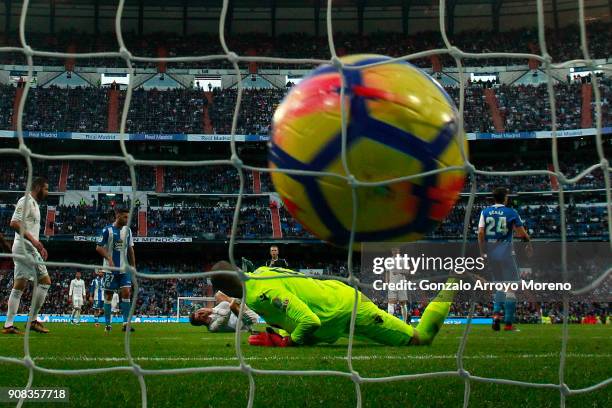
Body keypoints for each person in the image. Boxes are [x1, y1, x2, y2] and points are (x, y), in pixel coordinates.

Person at [210, 262, 456, 347]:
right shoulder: (260, 273)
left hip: (346, 308)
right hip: (335, 314)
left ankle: (456, 279)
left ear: (230, 291)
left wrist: (288, 342)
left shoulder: (262, 294)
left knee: (420, 339)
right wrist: (282, 332)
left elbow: (309, 322)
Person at [478, 187, 532, 332]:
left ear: (493, 198)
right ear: (505, 198)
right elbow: (521, 233)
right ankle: (508, 323)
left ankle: (495, 317)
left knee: (499, 286)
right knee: (511, 287)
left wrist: (483, 252)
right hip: (506, 253)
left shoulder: (485, 212)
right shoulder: (511, 212)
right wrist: (528, 243)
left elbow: (481, 232)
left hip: (491, 254)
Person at [3, 177, 51, 335]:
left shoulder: (35, 205)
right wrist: (35, 243)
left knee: (19, 286)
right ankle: (32, 320)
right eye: (46, 189)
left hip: (28, 247)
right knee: (45, 281)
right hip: (25, 248)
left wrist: (38, 245)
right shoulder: (25, 201)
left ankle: (9, 325)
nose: (47, 192)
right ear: (37, 188)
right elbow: (14, 223)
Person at [96, 207, 136, 334]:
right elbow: (98, 247)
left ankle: (126, 324)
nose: (127, 219)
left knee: (126, 293)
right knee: (108, 296)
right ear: (117, 215)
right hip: (109, 269)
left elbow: (130, 249)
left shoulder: (128, 230)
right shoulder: (107, 230)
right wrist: (109, 258)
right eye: (125, 216)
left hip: (124, 269)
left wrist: (133, 266)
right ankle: (108, 324)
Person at [189, 291, 259, 332]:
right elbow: (226, 313)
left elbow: (225, 304)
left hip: (241, 311)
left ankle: (243, 298)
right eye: (199, 316)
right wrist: (211, 310)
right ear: (199, 323)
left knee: (218, 295)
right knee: (232, 306)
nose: (201, 314)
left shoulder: (212, 314)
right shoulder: (213, 327)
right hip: (246, 322)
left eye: (199, 312)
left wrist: (211, 310)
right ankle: (243, 297)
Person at [385, 247, 409, 322]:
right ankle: (389, 322)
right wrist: (386, 282)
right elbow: (387, 272)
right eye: (393, 249)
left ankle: (404, 322)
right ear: (391, 251)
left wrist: (399, 271)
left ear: (399, 250)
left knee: (403, 303)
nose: (394, 251)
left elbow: (407, 271)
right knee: (391, 303)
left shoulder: (403, 260)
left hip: (401, 284)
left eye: (396, 249)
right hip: (392, 284)